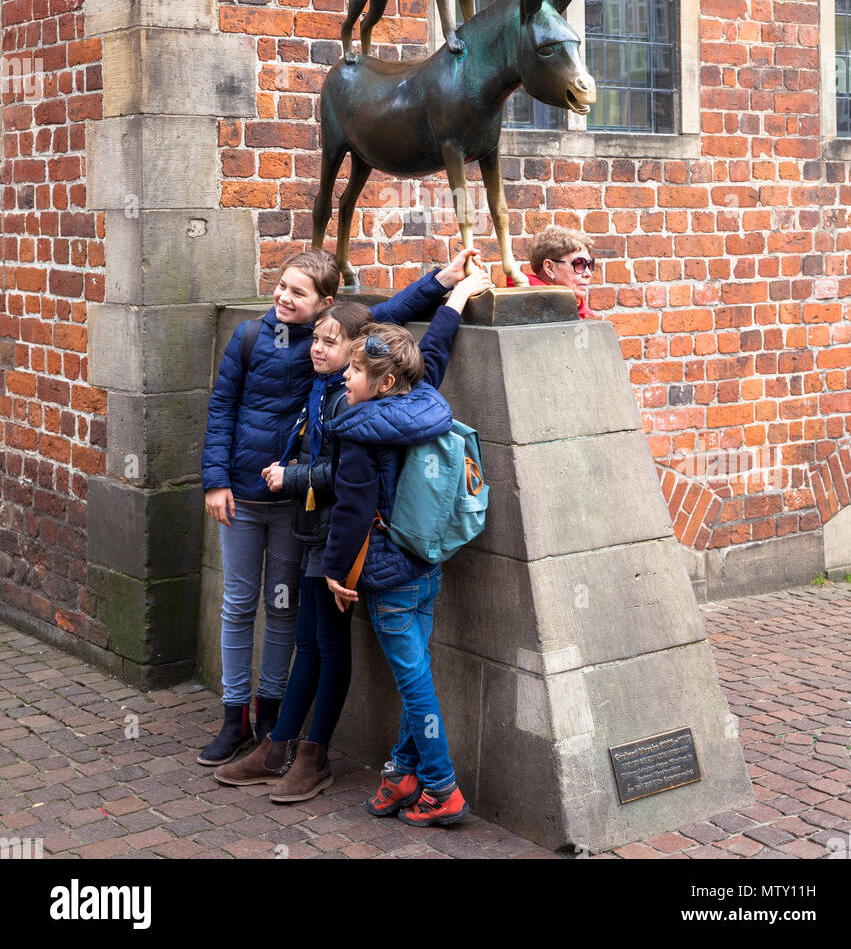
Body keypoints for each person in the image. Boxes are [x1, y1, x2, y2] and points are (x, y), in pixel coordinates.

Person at [209, 252, 482, 799]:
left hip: (340, 544)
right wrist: (446, 290)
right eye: (320, 340)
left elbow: (348, 484)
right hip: (321, 535)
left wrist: (294, 478)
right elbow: (419, 342)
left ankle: (317, 756)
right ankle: (284, 743)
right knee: (311, 644)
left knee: (333, 651)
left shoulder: (353, 404)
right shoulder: (340, 377)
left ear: (365, 367)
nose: (319, 348)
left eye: (336, 347)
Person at [319, 262, 494, 828]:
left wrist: (336, 571)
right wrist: (455, 298)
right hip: (426, 562)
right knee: (414, 670)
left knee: (414, 681)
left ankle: (441, 787)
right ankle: (401, 772)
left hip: (388, 573)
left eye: (353, 372)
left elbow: (349, 512)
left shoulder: (359, 430)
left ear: (383, 382)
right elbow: (433, 350)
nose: (345, 378)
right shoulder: (421, 401)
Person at [507, 225, 600, 319]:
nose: (588, 274)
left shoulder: (578, 308)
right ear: (549, 268)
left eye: (589, 264)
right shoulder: (524, 308)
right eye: (579, 264)